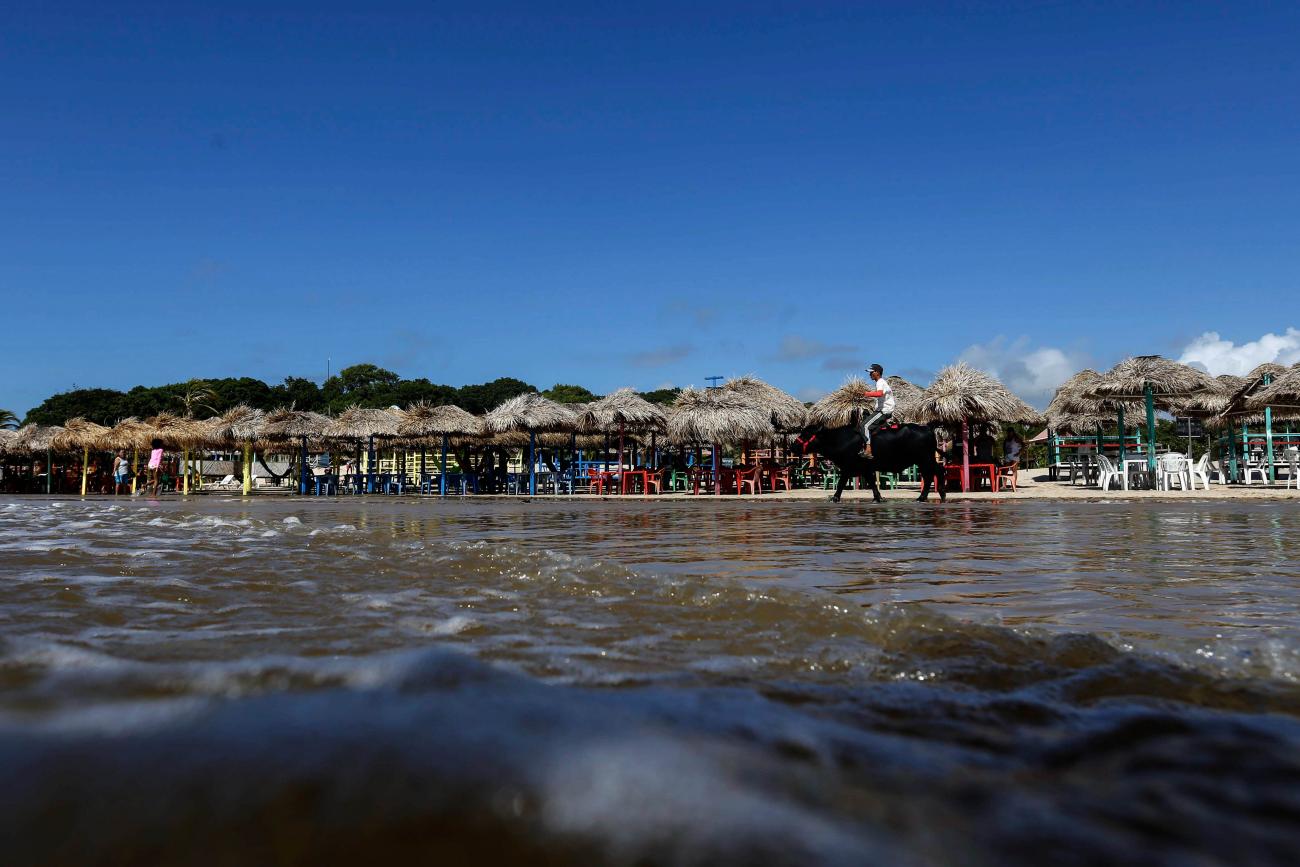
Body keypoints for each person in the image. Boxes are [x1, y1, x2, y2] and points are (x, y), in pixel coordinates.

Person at [860, 363, 895, 458]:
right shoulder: (880, 382)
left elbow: (879, 394)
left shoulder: (880, 382)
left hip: (883, 411)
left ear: (877, 372)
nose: (870, 374)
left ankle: (868, 450)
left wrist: (865, 394)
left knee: (864, 425)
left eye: (871, 372)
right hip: (881, 410)